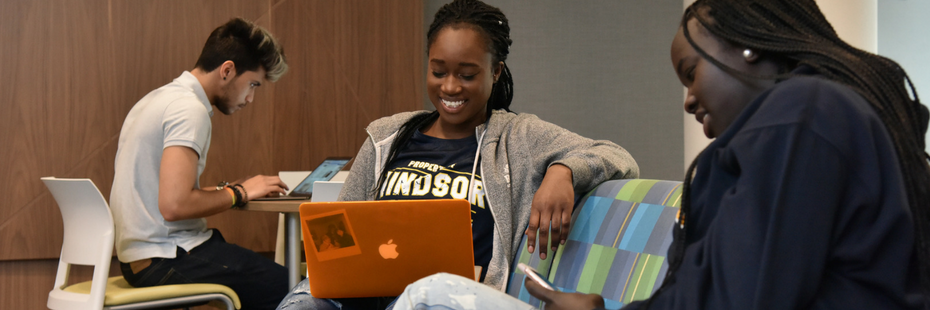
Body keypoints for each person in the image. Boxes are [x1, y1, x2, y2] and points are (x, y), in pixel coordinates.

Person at [389, 0, 930, 309]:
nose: (689, 98)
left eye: (691, 73)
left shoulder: (805, 114)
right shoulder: (774, 137)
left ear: (748, 48)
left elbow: (748, 298)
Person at [275, 0, 639, 309]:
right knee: (303, 299)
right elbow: (343, 224)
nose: (449, 87)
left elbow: (617, 157)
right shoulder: (388, 135)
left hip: (447, 299)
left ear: (495, 72)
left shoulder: (518, 136)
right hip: (364, 296)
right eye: (438, 71)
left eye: (466, 75)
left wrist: (564, 170)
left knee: (426, 293)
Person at [109, 17, 292, 310]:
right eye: (253, 84)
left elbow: (162, 193)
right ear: (228, 70)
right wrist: (239, 194)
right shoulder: (189, 110)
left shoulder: (159, 98)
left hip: (141, 257)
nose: (251, 98)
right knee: (296, 289)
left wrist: (234, 189)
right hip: (165, 257)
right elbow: (174, 205)